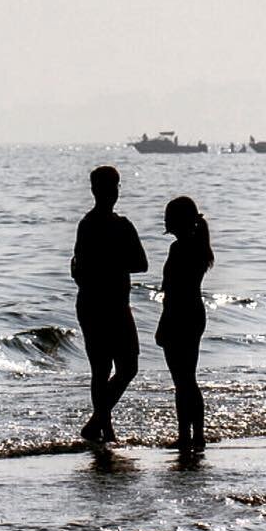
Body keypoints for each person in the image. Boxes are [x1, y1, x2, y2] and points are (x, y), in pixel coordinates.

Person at [70, 165, 147, 446]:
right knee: (101, 369)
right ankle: (104, 428)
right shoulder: (88, 224)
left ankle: (97, 422)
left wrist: (108, 261)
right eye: (105, 187)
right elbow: (80, 267)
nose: (111, 192)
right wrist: (112, 262)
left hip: (117, 304)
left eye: (114, 187)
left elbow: (142, 264)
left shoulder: (122, 224)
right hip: (95, 304)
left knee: (128, 367)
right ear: (94, 190)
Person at [156, 196, 214, 451]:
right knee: (188, 378)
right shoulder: (200, 247)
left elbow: (172, 290)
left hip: (179, 314)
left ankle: (184, 436)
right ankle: (197, 435)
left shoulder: (179, 249)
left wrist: (163, 323)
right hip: (194, 312)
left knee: (182, 380)